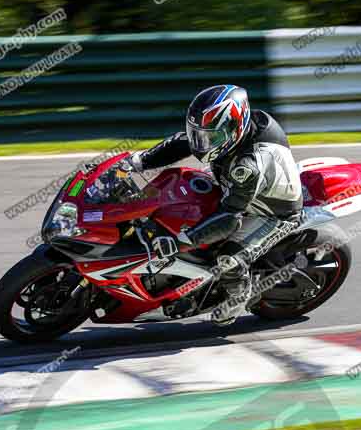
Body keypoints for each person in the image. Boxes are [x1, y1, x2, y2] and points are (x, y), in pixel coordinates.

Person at [127, 85, 303, 325]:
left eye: (210, 138)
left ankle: (238, 297)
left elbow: (229, 218)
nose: (202, 143)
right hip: (236, 186)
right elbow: (183, 142)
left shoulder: (247, 166)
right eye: (199, 135)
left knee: (228, 259)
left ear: (235, 129)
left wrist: (180, 242)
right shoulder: (233, 130)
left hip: (271, 212)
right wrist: (138, 161)